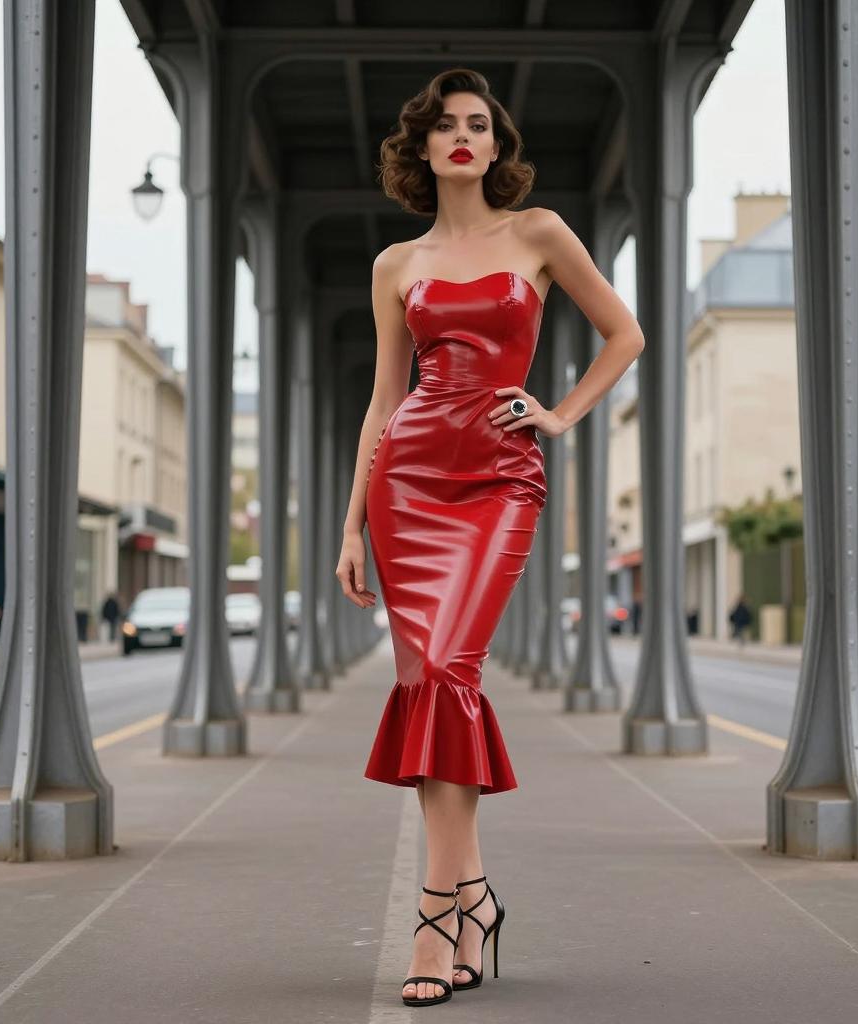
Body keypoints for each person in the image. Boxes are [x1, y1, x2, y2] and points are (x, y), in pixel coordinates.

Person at [335, 67, 644, 1008]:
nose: (464, 137)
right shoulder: (398, 264)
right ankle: (465, 905)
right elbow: (386, 400)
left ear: (497, 147)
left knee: (450, 675)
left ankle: (439, 917)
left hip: (500, 483)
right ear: (421, 148)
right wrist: (353, 524)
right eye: (447, 126)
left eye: (481, 125)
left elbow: (624, 335)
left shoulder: (539, 233)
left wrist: (558, 414)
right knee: (426, 683)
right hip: (411, 480)